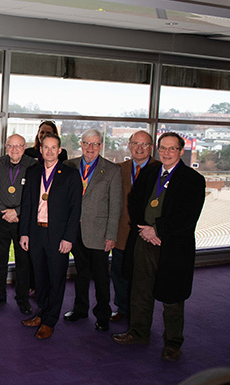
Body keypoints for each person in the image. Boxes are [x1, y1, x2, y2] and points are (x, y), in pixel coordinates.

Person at [112, 132, 205, 362]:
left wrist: (158, 230)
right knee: (140, 290)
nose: (166, 152)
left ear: (181, 151)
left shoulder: (193, 180)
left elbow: (187, 216)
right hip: (144, 242)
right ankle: (139, 332)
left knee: (172, 297)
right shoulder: (151, 171)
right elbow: (133, 200)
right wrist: (143, 227)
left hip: (171, 247)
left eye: (172, 149)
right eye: (163, 148)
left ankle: (173, 343)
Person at [19, 133, 82, 339]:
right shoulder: (34, 171)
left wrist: (68, 238)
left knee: (56, 278)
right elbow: (27, 205)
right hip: (36, 231)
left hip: (58, 235)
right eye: (46, 147)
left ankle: (50, 320)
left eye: (53, 148)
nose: (49, 151)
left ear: (60, 150)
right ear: (40, 150)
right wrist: (24, 233)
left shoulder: (70, 174)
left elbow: (75, 209)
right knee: (40, 278)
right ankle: (43, 312)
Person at [63, 129, 123, 332]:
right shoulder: (69, 165)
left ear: (101, 146)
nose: (91, 148)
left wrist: (111, 235)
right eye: (87, 143)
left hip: (99, 233)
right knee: (80, 274)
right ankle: (80, 309)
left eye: (95, 144)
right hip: (75, 230)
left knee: (101, 278)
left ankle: (103, 315)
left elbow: (116, 206)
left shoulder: (112, 170)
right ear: (81, 144)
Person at [110, 130, 159, 322]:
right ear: (129, 145)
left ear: (151, 147)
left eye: (144, 144)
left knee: (143, 278)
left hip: (147, 234)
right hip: (122, 232)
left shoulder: (159, 169)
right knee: (120, 273)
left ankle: (140, 315)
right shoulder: (120, 169)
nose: (139, 148)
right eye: (136, 143)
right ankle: (122, 308)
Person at [0, 134, 37, 314]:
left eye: (18, 146)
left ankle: (22, 298)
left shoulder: (33, 166)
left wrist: (17, 212)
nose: (14, 150)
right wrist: (5, 212)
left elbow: (36, 195)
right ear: (6, 147)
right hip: (0, 219)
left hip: (22, 222)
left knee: (24, 262)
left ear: (25, 147)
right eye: (11, 146)